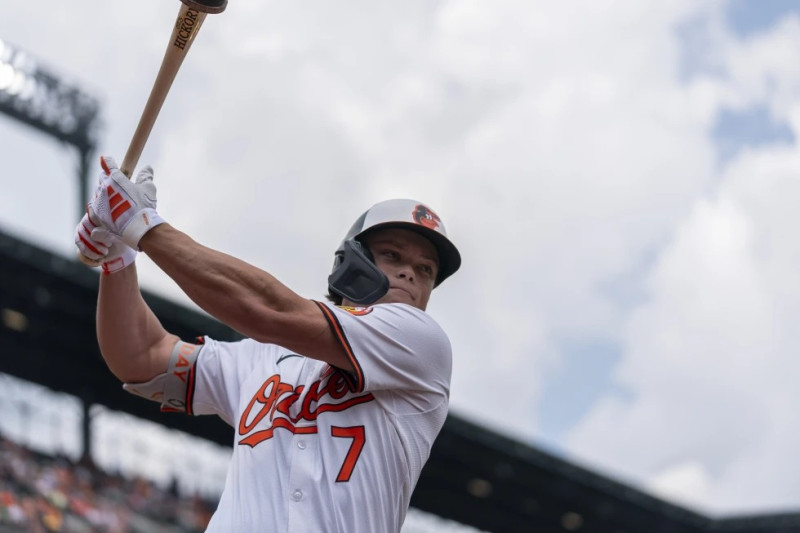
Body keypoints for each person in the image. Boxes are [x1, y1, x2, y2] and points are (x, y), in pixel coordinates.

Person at [73, 156, 461, 533]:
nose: (410, 273)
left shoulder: (421, 345)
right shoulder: (265, 357)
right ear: (352, 261)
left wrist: (142, 227)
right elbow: (140, 357)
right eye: (392, 254)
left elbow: (266, 310)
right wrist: (119, 260)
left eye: (426, 269)